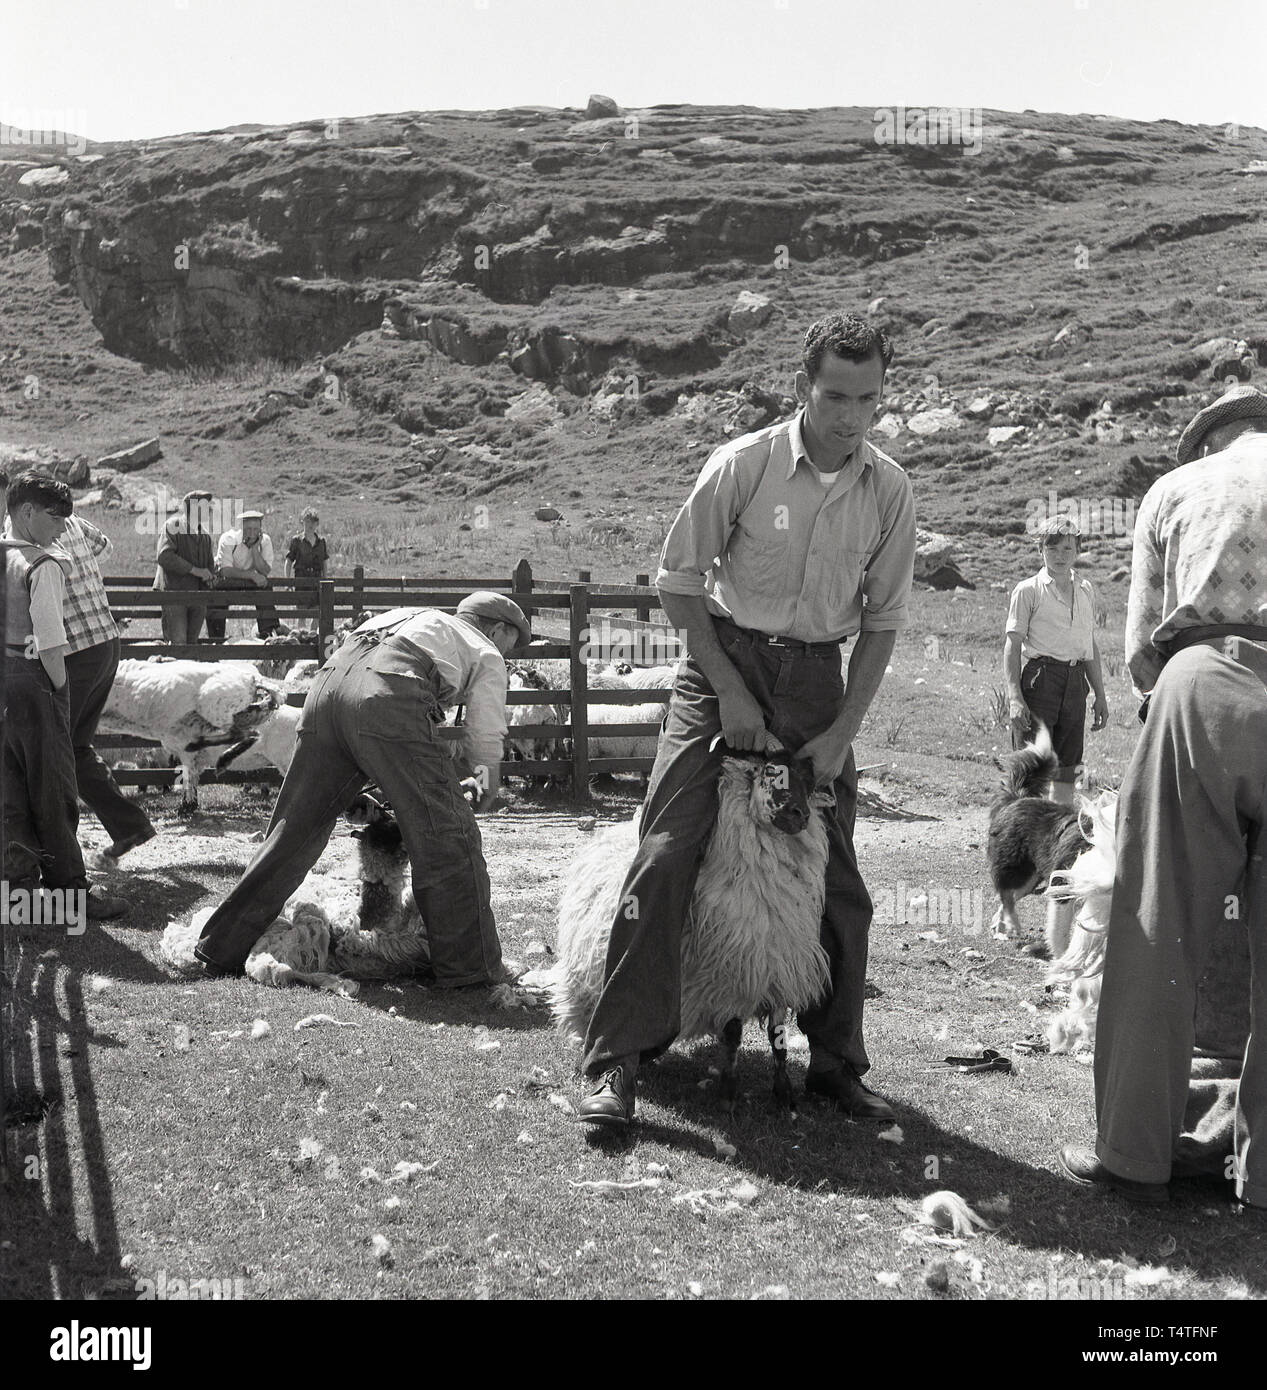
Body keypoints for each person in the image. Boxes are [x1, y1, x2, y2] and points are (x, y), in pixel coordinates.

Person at [577, 312, 917, 1127]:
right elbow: (678, 582)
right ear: (804, 386)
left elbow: (882, 621)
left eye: (864, 399)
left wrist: (841, 734)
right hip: (721, 668)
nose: (847, 415)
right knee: (663, 852)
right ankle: (616, 1058)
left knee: (837, 878)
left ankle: (835, 1063)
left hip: (815, 683)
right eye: (833, 395)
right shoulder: (744, 463)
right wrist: (727, 688)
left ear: (880, 397)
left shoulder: (888, 489)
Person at [1058, 384, 1267, 1209]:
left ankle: (1134, 1154)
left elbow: (1144, 650)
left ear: (1210, 440)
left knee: (1157, 921)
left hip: (1202, 688)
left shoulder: (1175, 491)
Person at [192, 591, 531, 985]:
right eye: (513, 641)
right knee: (450, 835)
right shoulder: (484, 650)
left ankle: (220, 947)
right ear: (497, 628)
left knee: (294, 829)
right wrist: (486, 781)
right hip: (387, 694)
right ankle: (471, 970)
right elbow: (484, 735)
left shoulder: (417, 618)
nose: (511, 652)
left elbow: (366, 708)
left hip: (328, 688)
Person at [1, 472, 125, 920]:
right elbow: (52, 643)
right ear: (27, 512)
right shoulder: (44, 565)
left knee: (10, 791)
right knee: (54, 790)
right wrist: (57, 688)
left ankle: (18, 896)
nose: (62, 529)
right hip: (36, 679)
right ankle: (69, 893)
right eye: (56, 519)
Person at [50, 507, 158, 860]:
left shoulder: (17, 531)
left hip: (76, 647)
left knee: (53, 745)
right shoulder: (68, 517)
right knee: (75, 745)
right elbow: (106, 546)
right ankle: (129, 827)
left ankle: (51, 846)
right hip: (105, 640)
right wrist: (80, 575)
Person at [1004, 516, 1109, 806]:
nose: (1060, 556)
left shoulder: (1086, 589)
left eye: (1067, 548)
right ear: (1041, 550)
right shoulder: (1028, 590)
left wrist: (1100, 694)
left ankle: (1056, 830)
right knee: (1031, 763)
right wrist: (1014, 698)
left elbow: (1089, 645)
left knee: (1068, 766)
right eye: (1053, 549)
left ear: (1077, 551)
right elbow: (1012, 645)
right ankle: (1020, 832)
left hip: (1076, 683)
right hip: (1041, 679)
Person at [206, 509, 279, 642]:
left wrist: (255, 550)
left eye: (256, 529)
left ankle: (267, 636)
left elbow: (265, 571)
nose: (252, 533)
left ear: (260, 528)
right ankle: (216, 642)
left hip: (248, 581)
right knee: (216, 598)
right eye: (248, 529)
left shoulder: (265, 541)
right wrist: (252, 575)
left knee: (265, 588)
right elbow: (225, 571)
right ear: (241, 527)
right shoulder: (229, 539)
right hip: (227, 581)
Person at [154, 490, 215, 645]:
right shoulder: (172, 526)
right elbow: (164, 556)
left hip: (197, 598)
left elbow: (209, 567)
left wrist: (210, 578)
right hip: (174, 595)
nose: (210, 509)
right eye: (205, 506)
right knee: (178, 644)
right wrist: (196, 571)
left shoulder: (205, 536)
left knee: (191, 644)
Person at [285, 508, 329, 586]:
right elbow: (289, 561)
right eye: (308, 521)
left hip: (317, 582)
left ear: (317, 523)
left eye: (314, 522)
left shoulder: (321, 542)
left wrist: (325, 581)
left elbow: (324, 562)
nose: (311, 524)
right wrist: (287, 582)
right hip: (301, 582)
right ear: (303, 522)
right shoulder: (297, 540)